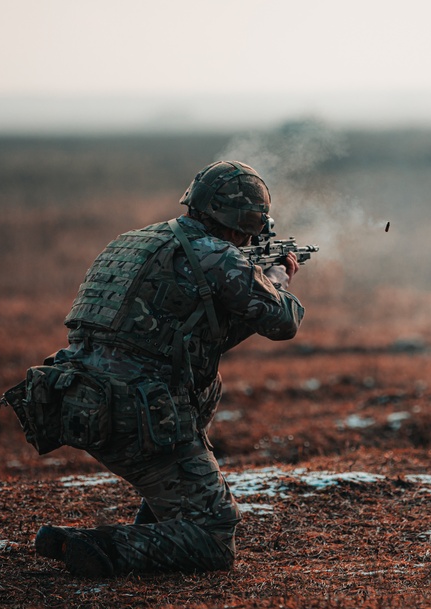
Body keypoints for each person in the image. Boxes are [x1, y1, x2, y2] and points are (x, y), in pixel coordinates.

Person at [30, 160, 304, 577]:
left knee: (206, 386)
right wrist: (277, 277)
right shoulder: (216, 255)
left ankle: (160, 519)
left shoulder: (136, 240)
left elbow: (194, 334)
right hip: (139, 414)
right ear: (243, 222)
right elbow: (283, 322)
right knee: (214, 535)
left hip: (78, 399)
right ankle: (98, 547)